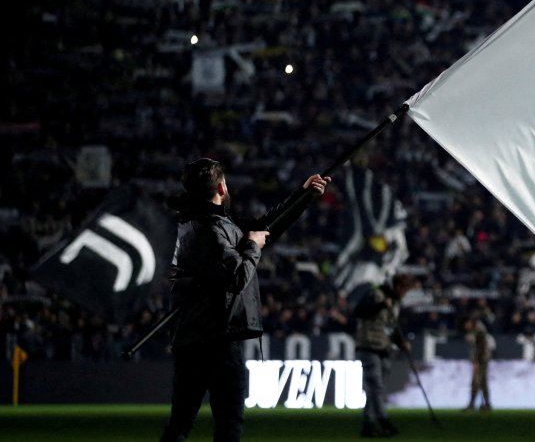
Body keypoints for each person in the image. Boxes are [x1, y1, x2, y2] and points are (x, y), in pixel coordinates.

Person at [159, 158, 329, 442]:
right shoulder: (209, 229)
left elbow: (266, 228)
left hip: (193, 338)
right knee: (227, 424)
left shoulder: (200, 222)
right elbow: (237, 276)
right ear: (222, 186)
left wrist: (304, 195)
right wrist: (252, 246)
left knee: (181, 423)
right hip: (218, 340)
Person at [354, 275, 412, 438]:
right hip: (368, 345)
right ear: (399, 286)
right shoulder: (376, 295)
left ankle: (368, 423)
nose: (405, 294)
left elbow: (390, 327)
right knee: (376, 386)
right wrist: (380, 305)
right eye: (405, 290)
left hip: (382, 347)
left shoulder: (394, 303)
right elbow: (359, 311)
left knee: (375, 389)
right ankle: (383, 421)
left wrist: (401, 343)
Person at [463, 314, 494, 411]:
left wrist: (476, 362)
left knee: (476, 382)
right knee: (482, 382)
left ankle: (472, 404)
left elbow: (479, 348)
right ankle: (487, 404)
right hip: (483, 359)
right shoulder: (478, 330)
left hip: (481, 360)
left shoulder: (478, 331)